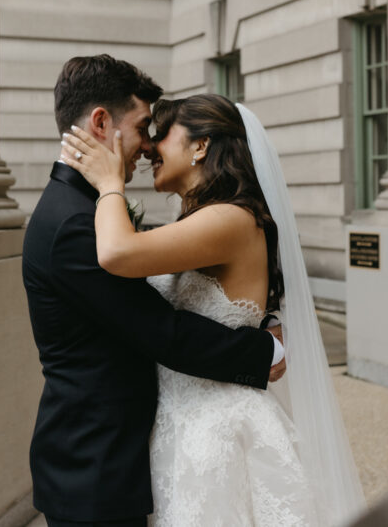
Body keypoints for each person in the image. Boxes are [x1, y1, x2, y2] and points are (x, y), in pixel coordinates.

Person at [61, 93, 366, 526]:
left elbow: (116, 252)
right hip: (179, 426)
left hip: (216, 433)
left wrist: (110, 186)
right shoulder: (205, 219)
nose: (150, 147)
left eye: (162, 134)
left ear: (201, 146)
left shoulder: (229, 218)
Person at [22, 55, 286, 527]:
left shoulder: (88, 208)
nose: (147, 146)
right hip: (95, 465)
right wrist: (262, 351)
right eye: (144, 127)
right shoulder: (76, 223)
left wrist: (256, 315)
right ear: (101, 122)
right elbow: (160, 330)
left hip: (144, 449)